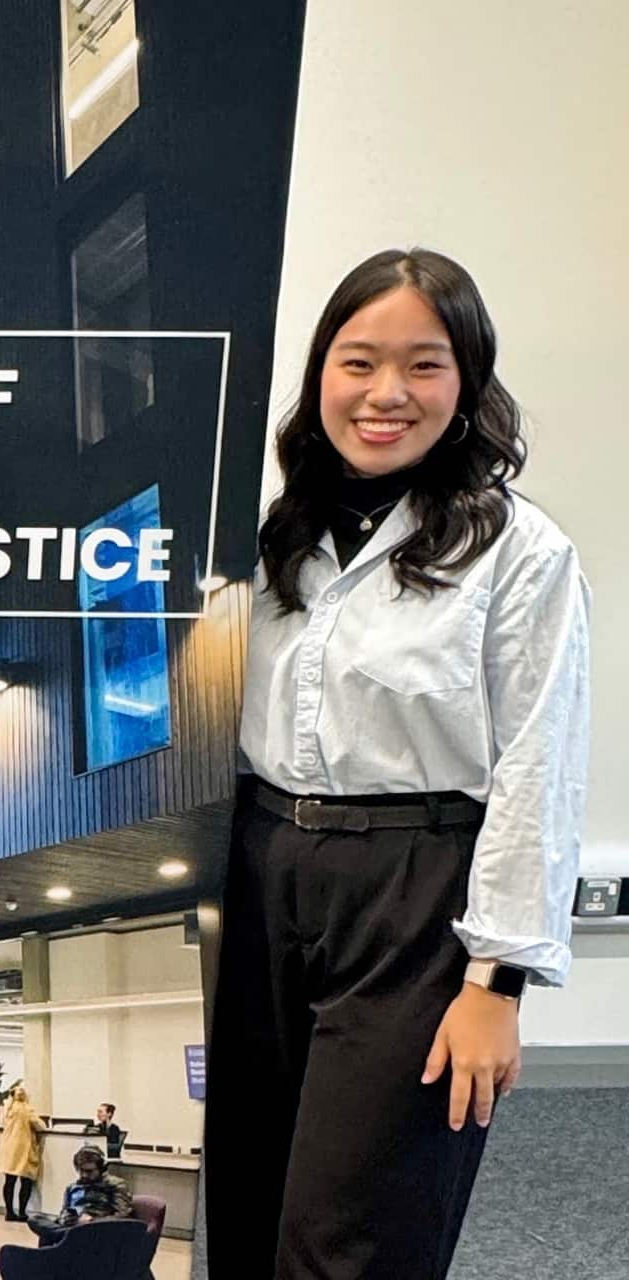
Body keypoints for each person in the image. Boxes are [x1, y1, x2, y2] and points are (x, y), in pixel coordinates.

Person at [208, 248, 590, 1280]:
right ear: (319, 374)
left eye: (423, 365)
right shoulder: (267, 537)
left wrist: (496, 980)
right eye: (358, 360)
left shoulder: (519, 550)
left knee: (351, 1238)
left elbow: (538, 769)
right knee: (242, 1211)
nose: (386, 394)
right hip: (257, 867)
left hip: (415, 894)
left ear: (467, 382)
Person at [27, 1147, 132, 1247]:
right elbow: (64, 1211)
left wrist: (93, 1221)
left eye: (89, 1171)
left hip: (96, 1228)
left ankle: (65, 1235)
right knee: (34, 1219)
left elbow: (122, 1216)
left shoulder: (116, 1185)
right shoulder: (72, 1187)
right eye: (81, 1171)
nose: (84, 1175)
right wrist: (65, 1218)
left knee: (49, 1234)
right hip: (72, 1225)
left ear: (101, 1169)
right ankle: (65, 1234)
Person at [0, 1083, 46, 1220]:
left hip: (8, 1149)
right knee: (26, 1181)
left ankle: (9, 1212)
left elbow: (0, 1123)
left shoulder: (7, 1110)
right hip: (24, 1148)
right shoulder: (27, 1109)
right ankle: (22, 1212)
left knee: (9, 1181)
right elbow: (39, 1125)